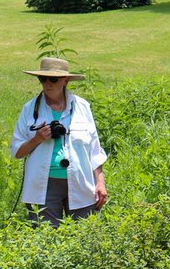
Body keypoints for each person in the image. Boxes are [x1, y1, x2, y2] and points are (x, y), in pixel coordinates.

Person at [11, 56, 108, 226]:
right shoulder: (30, 109)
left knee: (86, 235)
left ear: (66, 81)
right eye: (43, 79)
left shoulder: (82, 107)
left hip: (81, 182)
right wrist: (37, 139)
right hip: (43, 184)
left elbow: (94, 150)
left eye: (53, 79)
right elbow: (17, 152)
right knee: (45, 238)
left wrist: (100, 183)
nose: (47, 83)